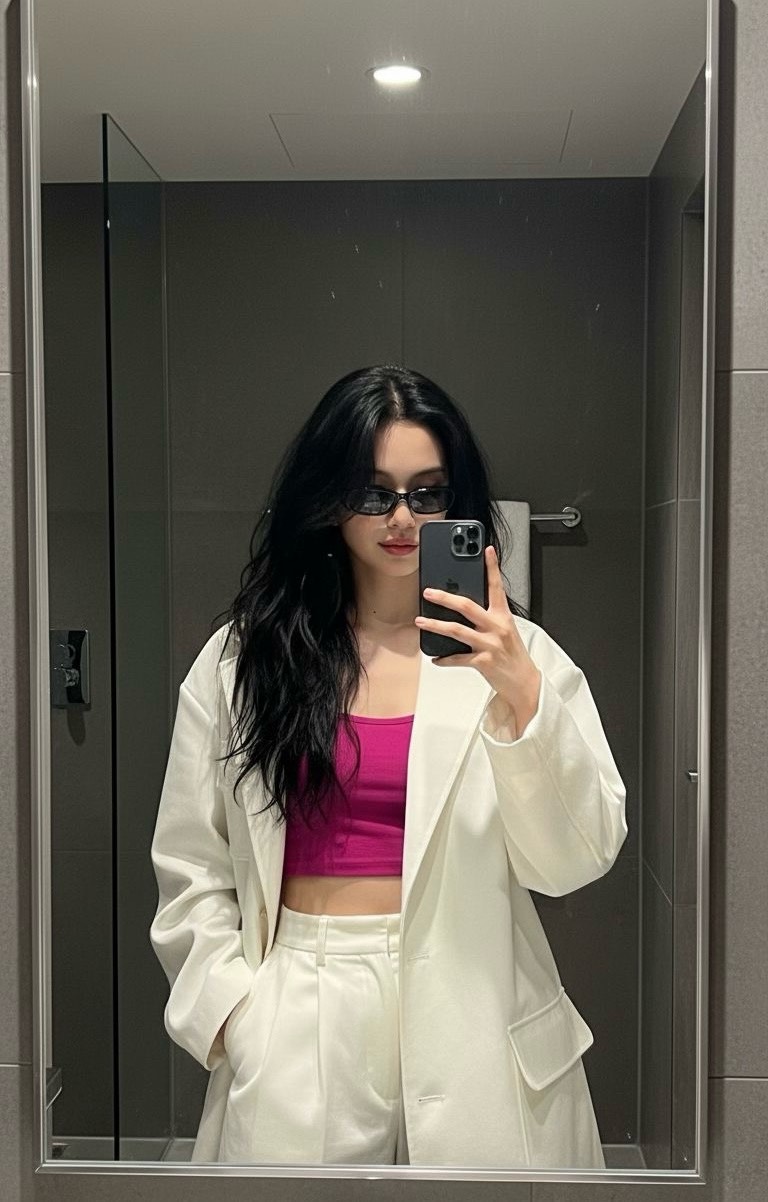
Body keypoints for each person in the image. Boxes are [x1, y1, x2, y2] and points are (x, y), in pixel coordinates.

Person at [149, 364, 627, 1168]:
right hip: (302, 1004)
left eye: (428, 494)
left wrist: (521, 695)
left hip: (477, 999)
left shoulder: (520, 658)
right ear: (329, 498)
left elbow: (576, 859)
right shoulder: (245, 660)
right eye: (374, 494)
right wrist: (235, 1015)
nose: (403, 518)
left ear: (457, 501)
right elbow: (191, 862)